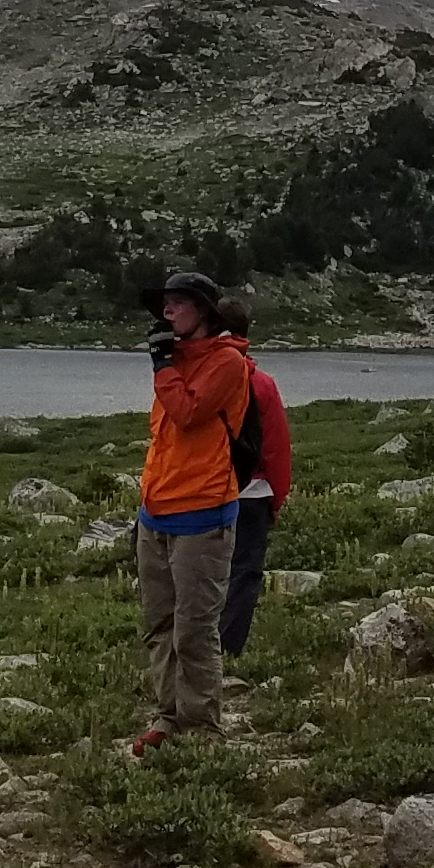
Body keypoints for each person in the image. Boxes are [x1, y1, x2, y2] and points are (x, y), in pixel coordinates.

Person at [131, 269, 253, 747]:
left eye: (178, 302)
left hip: (203, 514)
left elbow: (187, 412)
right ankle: (169, 715)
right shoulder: (177, 361)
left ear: (202, 311)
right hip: (157, 511)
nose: (167, 311)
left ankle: (202, 727)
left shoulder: (226, 364)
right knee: (159, 624)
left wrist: (163, 367)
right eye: (165, 303)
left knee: (194, 629)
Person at [219, 304, 293, 664]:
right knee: (244, 571)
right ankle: (228, 647)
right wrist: (276, 499)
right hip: (254, 493)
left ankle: (196, 649)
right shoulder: (262, 384)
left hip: (208, 492)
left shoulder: (199, 379)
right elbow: (277, 447)